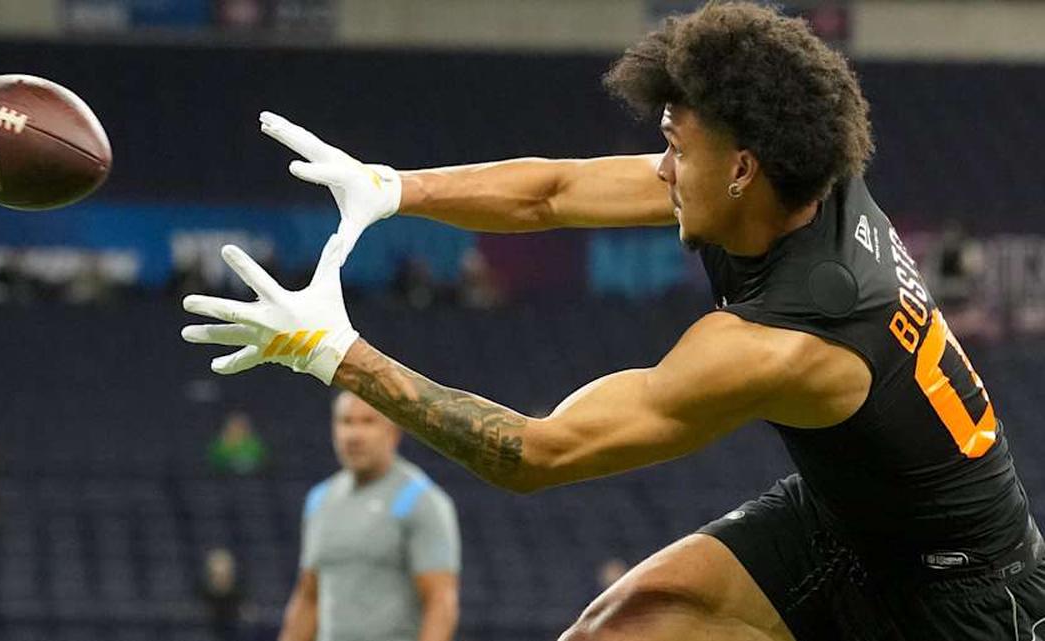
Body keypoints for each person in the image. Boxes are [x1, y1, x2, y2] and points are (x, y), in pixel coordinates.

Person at [182, 3, 1045, 639]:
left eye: (675, 146)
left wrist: (335, 353)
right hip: (845, 518)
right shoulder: (786, 183)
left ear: (741, 168)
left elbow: (535, 454)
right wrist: (392, 188)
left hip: (966, 602)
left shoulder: (786, 339)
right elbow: (554, 192)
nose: (660, 167)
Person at [277, 391, 460, 641]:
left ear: (393, 432)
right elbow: (308, 597)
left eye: (368, 422)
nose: (354, 435)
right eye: (346, 422)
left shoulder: (420, 500)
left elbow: (440, 602)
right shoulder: (320, 500)